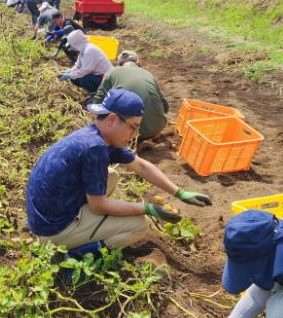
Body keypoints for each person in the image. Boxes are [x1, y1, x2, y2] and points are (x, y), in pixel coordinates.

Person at [26, 89, 212, 260]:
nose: (134, 134)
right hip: (53, 230)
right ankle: (75, 257)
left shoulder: (96, 136)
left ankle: (83, 229)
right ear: (112, 119)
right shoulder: (95, 149)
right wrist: (148, 209)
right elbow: (98, 206)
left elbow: (140, 165)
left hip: (47, 215)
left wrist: (179, 193)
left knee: (111, 175)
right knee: (138, 225)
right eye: (133, 126)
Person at [90, 51, 170, 142]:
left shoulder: (112, 72)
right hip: (157, 127)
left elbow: (98, 100)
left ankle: (133, 141)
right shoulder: (148, 74)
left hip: (129, 131)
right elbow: (166, 108)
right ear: (137, 62)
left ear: (119, 64)